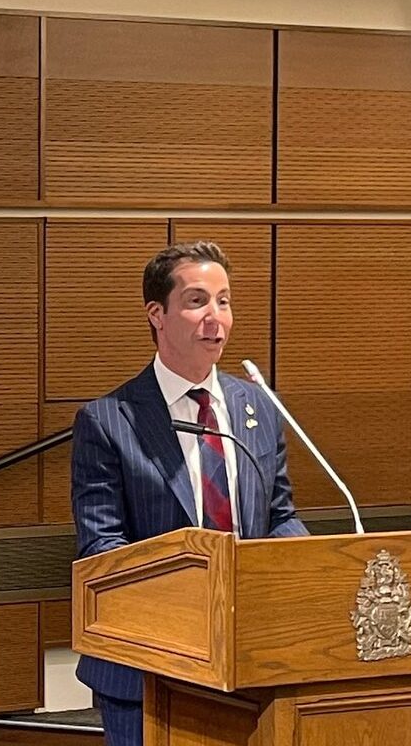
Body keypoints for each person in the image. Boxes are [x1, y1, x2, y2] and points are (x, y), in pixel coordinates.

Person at [70, 241, 308, 746]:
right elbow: (103, 550)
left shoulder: (258, 407)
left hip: (250, 660)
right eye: (197, 301)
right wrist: (193, 598)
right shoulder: (109, 421)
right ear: (157, 314)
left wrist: (307, 566)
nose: (215, 318)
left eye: (224, 301)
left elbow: (278, 512)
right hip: (151, 668)